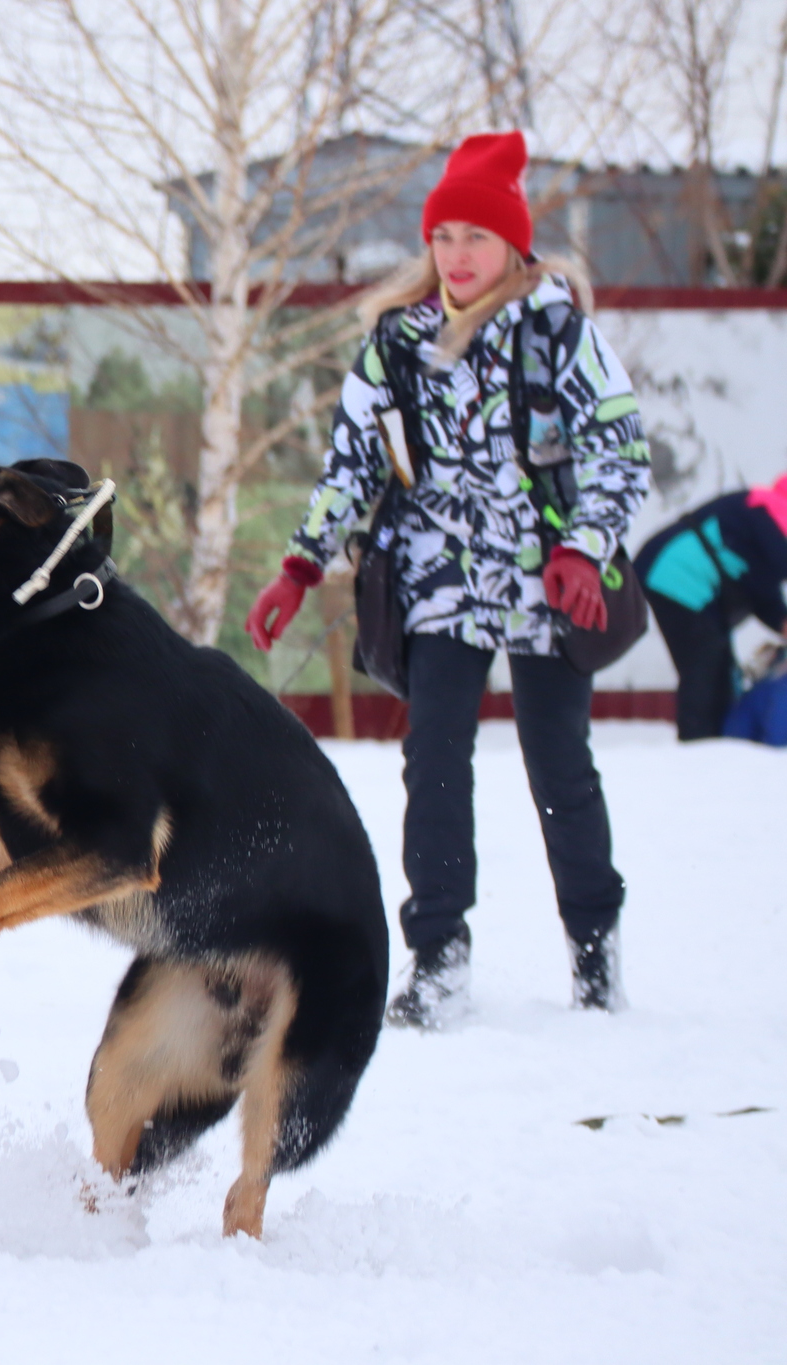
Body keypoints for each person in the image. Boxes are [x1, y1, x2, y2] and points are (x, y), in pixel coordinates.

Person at [245, 132, 651, 1028]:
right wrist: (299, 565)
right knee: (434, 762)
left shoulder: (558, 330)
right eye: (444, 237)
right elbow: (350, 461)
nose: (457, 256)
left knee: (559, 763)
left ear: (511, 244)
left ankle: (594, 950)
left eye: (475, 237)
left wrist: (583, 546)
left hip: (546, 579)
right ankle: (438, 959)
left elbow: (620, 446)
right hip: (438, 575)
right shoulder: (398, 343)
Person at [633, 475, 787, 740]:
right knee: (703, 665)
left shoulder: (763, 507)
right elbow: (763, 586)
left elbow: (759, 583)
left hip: (680, 578)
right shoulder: (773, 515)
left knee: (718, 667)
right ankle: (697, 750)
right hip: (677, 577)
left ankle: (714, 746)